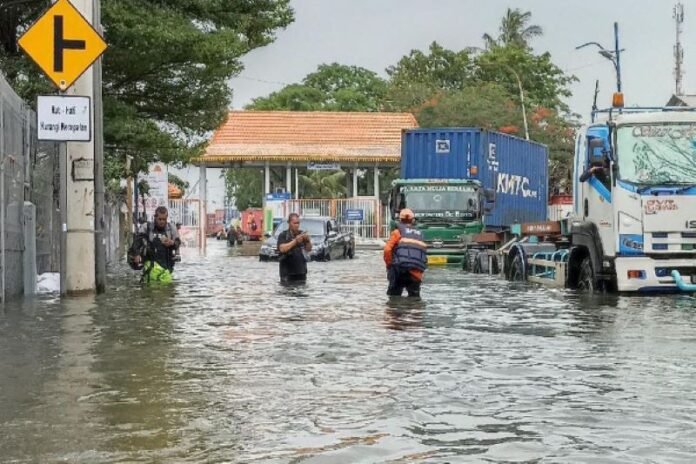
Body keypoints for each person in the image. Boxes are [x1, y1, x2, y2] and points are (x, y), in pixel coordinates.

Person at [128, 206, 181, 284]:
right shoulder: (147, 227)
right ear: (155, 217)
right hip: (150, 266)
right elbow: (137, 242)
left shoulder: (171, 228)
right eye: (160, 219)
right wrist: (137, 254)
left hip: (166, 268)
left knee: (167, 292)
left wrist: (172, 243)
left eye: (164, 219)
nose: (162, 222)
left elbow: (178, 243)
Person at [383, 208, 428, 297]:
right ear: (413, 220)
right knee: (415, 301)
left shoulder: (397, 232)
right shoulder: (420, 234)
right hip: (415, 273)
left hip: (399, 270)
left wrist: (389, 264)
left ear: (400, 219)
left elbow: (387, 250)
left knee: (393, 298)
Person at [277, 213, 313, 283]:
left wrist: (307, 241)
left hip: (301, 272)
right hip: (287, 273)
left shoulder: (301, 233)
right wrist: (295, 241)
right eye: (295, 223)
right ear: (289, 223)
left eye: (298, 223)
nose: (297, 225)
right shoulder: (283, 235)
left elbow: (309, 249)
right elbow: (282, 249)